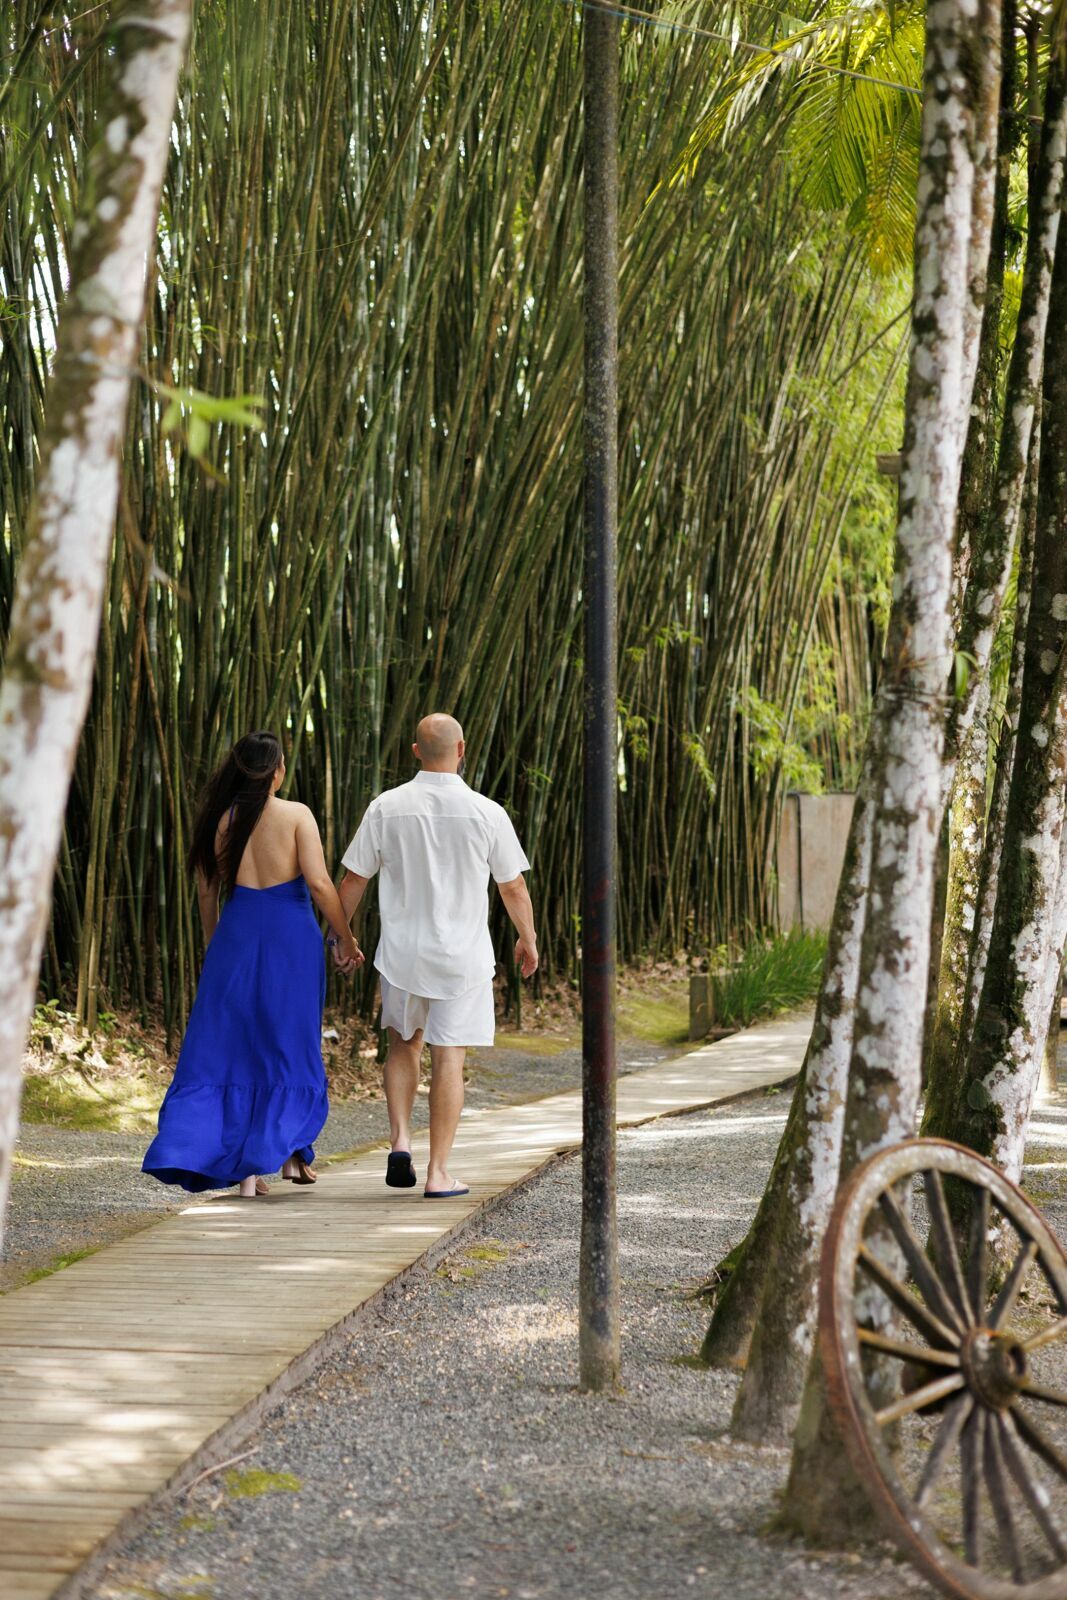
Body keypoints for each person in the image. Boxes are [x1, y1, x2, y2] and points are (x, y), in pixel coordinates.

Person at [143, 731, 362, 1198]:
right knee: (287, 1040)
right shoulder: (296, 814)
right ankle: (285, 1154)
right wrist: (345, 937)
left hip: (236, 936)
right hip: (291, 938)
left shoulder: (220, 822)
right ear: (277, 771)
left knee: (236, 1046)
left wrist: (215, 944)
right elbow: (322, 885)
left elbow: (207, 892)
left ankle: (251, 1171)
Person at [334, 714, 538, 1198]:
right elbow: (512, 886)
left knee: (403, 1046)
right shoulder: (488, 812)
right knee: (450, 1060)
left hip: (402, 955)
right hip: (463, 959)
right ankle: (437, 1172)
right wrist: (528, 937)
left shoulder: (386, 808)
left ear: (414, 750)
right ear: (462, 749)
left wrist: (342, 938)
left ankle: (401, 1141)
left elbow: (352, 881)